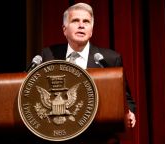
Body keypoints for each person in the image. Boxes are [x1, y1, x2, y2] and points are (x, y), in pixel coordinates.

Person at [41, 2, 136, 143]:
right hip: (59, 134)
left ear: (91, 30)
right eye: (75, 21)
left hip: (99, 136)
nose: (81, 25)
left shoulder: (109, 59)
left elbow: (126, 98)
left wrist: (131, 113)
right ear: (64, 29)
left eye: (86, 21)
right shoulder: (49, 55)